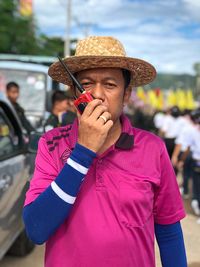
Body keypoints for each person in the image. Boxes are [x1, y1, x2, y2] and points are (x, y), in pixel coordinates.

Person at [23, 36, 187, 267]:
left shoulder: (153, 148)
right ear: (73, 92)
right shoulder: (51, 144)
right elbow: (36, 230)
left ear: (126, 94)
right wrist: (83, 152)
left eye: (110, 84)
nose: (97, 95)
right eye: (87, 84)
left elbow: (169, 232)